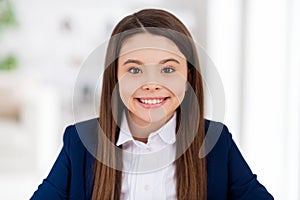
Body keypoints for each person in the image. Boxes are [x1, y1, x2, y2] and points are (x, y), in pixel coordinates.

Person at [31, 8, 274, 200]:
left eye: (168, 69)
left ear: (188, 76)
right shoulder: (80, 142)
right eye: (134, 69)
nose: (151, 84)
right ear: (115, 76)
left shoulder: (216, 140)